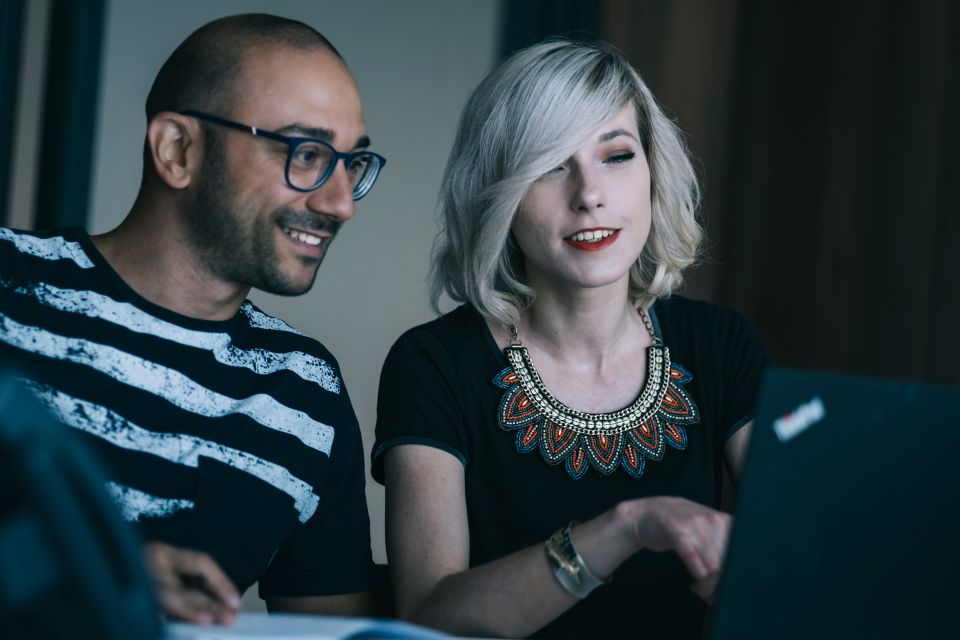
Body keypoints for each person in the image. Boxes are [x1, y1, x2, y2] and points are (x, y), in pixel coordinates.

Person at [372, 39, 767, 638]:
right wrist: (624, 528)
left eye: (617, 155)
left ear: (653, 174)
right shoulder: (433, 364)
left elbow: (803, 547)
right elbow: (429, 616)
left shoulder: (721, 345)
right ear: (497, 191)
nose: (589, 195)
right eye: (553, 164)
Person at [0, 14, 385, 625]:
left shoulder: (306, 394)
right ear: (178, 150)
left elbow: (332, 634)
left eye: (351, 164)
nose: (340, 202)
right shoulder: (9, 284)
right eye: (306, 153)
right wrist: (82, 575)